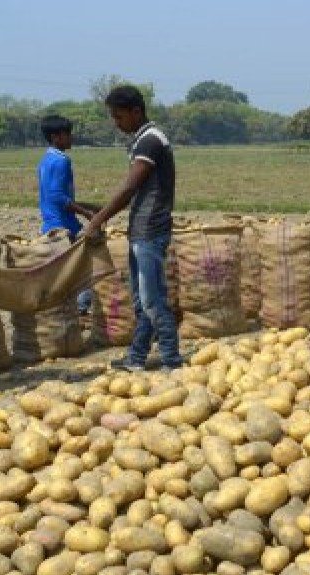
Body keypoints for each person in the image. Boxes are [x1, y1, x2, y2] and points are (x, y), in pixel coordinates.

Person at [83, 85, 182, 372]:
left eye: (119, 116)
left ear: (136, 112)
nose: (117, 123)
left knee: (153, 299)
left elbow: (129, 188)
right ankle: (137, 357)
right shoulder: (142, 140)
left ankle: (171, 359)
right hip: (140, 230)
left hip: (151, 230)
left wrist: (99, 219)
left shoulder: (151, 140)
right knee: (141, 302)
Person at [37, 114, 96, 314]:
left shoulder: (45, 160)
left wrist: (89, 206)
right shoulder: (62, 162)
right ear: (56, 137)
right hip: (64, 225)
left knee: (62, 272)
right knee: (84, 269)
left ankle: (68, 308)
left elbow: (53, 195)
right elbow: (58, 197)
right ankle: (80, 308)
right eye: (67, 134)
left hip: (49, 224)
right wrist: (87, 213)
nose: (71, 138)